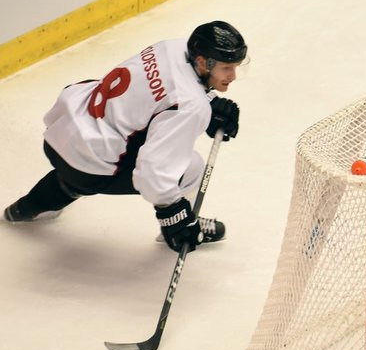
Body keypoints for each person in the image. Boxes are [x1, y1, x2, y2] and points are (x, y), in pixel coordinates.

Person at [3, 21, 246, 253]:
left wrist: (210, 101)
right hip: (88, 168)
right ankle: (188, 222)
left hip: (61, 132)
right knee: (191, 167)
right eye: (226, 68)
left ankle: (26, 208)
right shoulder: (192, 106)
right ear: (203, 62)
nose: (232, 76)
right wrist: (174, 214)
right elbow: (153, 172)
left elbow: (161, 91)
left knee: (101, 146)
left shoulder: (171, 47)